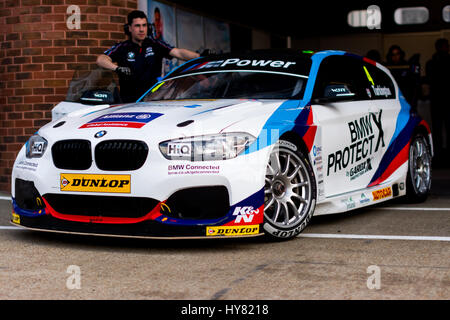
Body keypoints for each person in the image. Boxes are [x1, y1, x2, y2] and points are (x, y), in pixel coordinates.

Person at [96, 10, 200, 103]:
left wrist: (199, 56)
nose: (142, 30)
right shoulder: (122, 47)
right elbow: (100, 59)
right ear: (129, 28)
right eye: (137, 26)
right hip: (129, 102)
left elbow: (179, 53)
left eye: (144, 25)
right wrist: (117, 68)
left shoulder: (156, 44)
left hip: (154, 99)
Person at [425, 38, 450, 161]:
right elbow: (431, 79)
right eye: (444, 46)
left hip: (442, 99)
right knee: (437, 128)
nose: (445, 49)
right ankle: (439, 154)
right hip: (438, 99)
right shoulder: (432, 62)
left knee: (440, 128)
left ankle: (442, 153)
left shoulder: (433, 62)